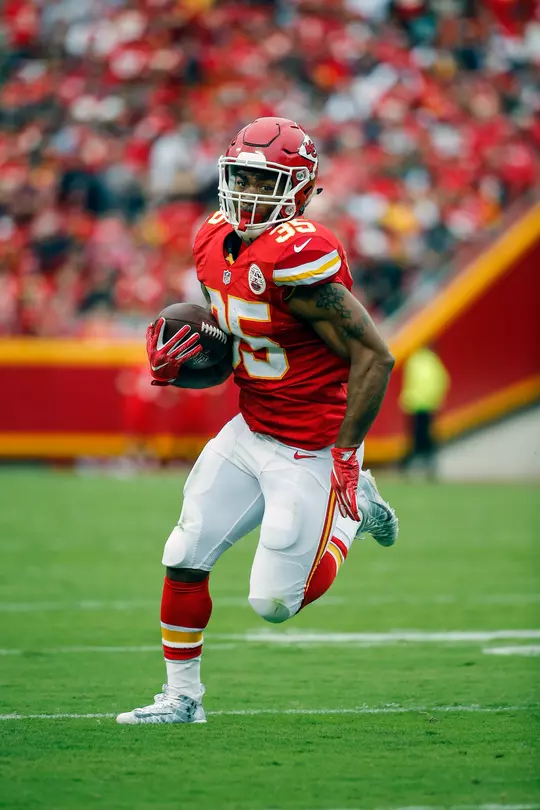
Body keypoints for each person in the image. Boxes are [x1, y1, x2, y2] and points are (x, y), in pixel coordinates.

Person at [117, 117, 399, 725]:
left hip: (311, 445)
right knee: (184, 550)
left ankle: (354, 513)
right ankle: (181, 698)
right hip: (250, 430)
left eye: (262, 178)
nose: (246, 190)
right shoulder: (212, 237)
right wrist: (189, 356)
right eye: (239, 175)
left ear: (297, 188)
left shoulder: (300, 256)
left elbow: (375, 355)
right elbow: (236, 337)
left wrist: (347, 456)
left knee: (274, 602)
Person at [399, 345, 450, 479]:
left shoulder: (414, 360)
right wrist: (437, 400)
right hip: (427, 405)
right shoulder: (433, 361)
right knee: (426, 437)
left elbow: (408, 381)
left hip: (415, 405)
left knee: (415, 437)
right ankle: (428, 466)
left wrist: (406, 399)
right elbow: (442, 381)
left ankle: (411, 466)